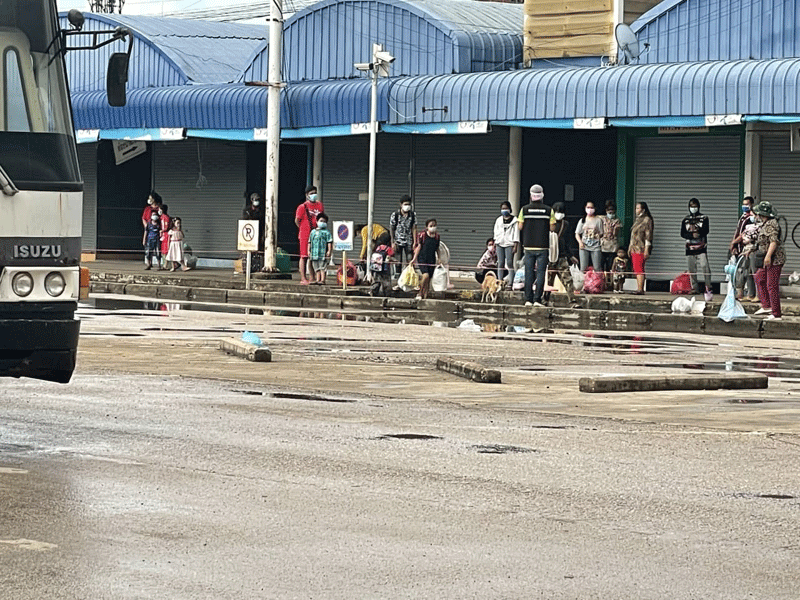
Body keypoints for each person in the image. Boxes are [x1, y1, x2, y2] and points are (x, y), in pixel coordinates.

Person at [518, 184, 555, 307]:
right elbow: (552, 228)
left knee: (529, 273)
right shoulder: (548, 210)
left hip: (528, 246)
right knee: (541, 273)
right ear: (542, 195)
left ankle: (528, 300)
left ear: (531, 195)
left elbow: (520, 226)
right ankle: (537, 300)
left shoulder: (524, 209)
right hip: (543, 246)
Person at [749, 201, 785, 320]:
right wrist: (751, 249)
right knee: (759, 277)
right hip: (765, 256)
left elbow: (773, 242)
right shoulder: (765, 224)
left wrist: (768, 256)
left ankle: (776, 313)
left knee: (771, 285)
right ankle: (766, 305)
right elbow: (762, 241)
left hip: (774, 259)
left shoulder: (771, 224)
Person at [544, 201, 578, 306]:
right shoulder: (547, 223)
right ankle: (545, 299)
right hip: (549, 256)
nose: (559, 214)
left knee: (568, 279)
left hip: (562, 256)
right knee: (548, 281)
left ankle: (572, 300)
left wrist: (570, 255)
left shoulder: (565, 224)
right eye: (557, 211)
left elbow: (567, 241)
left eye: (561, 211)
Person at [680, 197, 712, 301]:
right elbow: (682, 233)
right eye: (691, 206)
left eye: (695, 206)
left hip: (701, 247)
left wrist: (699, 234)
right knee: (691, 269)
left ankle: (708, 286)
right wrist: (691, 235)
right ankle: (694, 287)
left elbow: (706, 230)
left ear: (698, 206)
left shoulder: (704, 218)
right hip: (689, 248)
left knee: (704, 266)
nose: (693, 208)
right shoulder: (685, 219)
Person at [729, 196, 757, 301]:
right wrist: (733, 244)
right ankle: (741, 293)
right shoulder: (742, 217)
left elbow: (745, 234)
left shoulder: (752, 219)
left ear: (751, 205)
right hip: (740, 248)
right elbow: (738, 231)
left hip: (748, 248)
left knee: (747, 271)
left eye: (747, 204)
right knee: (740, 271)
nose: (744, 206)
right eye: (743, 204)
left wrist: (734, 242)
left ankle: (750, 294)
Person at [295, 185, 324, 285]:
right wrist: (303, 229)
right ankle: (303, 278)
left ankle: (312, 277)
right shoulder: (302, 207)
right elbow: (297, 220)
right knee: (304, 256)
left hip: (317, 234)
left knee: (313, 256)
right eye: (311, 193)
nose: (314, 195)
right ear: (307, 195)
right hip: (305, 235)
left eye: (315, 193)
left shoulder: (320, 205)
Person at [627, 202, 654, 295]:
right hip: (634, 247)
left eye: (638, 208)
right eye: (636, 208)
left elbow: (648, 236)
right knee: (636, 268)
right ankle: (638, 287)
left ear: (643, 209)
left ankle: (640, 289)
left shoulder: (646, 220)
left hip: (640, 248)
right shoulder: (638, 220)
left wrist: (647, 249)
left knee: (639, 269)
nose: (636, 210)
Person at [411, 218, 440, 300]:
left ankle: (425, 295)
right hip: (422, 258)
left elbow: (437, 249)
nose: (433, 227)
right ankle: (420, 292)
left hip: (431, 259)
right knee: (425, 275)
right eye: (431, 226)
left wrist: (439, 258)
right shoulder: (422, 235)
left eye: (434, 225)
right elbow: (418, 247)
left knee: (429, 279)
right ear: (427, 227)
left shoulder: (437, 236)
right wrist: (414, 259)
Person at [389, 195, 417, 276]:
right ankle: (398, 278)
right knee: (398, 262)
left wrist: (415, 242)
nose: (407, 206)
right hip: (398, 241)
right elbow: (391, 228)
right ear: (401, 205)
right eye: (405, 204)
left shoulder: (413, 215)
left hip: (409, 241)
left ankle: (408, 277)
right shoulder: (395, 215)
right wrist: (392, 242)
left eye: (408, 204)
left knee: (410, 260)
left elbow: (414, 228)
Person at [493, 201, 519, 286]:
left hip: (509, 244)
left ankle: (510, 283)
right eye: (502, 208)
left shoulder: (515, 220)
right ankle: (499, 281)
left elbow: (516, 233)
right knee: (500, 263)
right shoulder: (498, 220)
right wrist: (495, 242)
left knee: (509, 263)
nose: (504, 210)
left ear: (510, 209)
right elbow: (495, 232)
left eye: (506, 208)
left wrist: (515, 245)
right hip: (499, 243)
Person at [575, 200, 604, 273]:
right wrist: (580, 242)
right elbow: (577, 233)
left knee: (597, 267)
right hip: (584, 246)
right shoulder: (582, 220)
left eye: (592, 207)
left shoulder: (598, 220)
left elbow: (601, 233)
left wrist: (597, 235)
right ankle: (583, 280)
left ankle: (597, 279)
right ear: (585, 208)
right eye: (588, 207)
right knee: (583, 267)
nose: (590, 209)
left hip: (596, 245)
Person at [307, 212, 332, 285]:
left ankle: (323, 280)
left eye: (324, 221)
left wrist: (329, 251)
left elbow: (329, 242)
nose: (322, 223)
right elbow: (309, 242)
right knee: (316, 267)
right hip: (314, 253)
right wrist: (308, 250)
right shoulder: (313, 232)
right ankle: (317, 280)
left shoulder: (327, 232)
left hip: (322, 253)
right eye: (321, 221)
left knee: (322, 267)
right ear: (317, 221)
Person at [601, 200, 622, 286]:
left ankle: (612, 283)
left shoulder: (617, 221)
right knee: (602, 266)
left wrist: (616, 229)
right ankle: (603, 282)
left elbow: (616, 233)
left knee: (611, 265)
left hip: (612, 246)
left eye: (612, 212)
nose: (611, 213)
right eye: (609, 211)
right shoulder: (602, 219)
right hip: (603, 245)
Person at [369, 232, 395, 297]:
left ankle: (374, 292)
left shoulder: (378, 247)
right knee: (386, 282)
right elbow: (392, 255)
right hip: (385, 269)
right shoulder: (388, 248)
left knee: (376, 281)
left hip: (377, 268)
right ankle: (387, 294)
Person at [141, 191, 162, 266]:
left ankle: (159, 264)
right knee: (148, 248)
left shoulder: (159, 208)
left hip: (157, 230)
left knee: (157, 249)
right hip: (149, 230)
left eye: (151, 198)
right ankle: (149, 263)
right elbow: (144, 218)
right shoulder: (147, 208)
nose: (149, 200)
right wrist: (146, 226)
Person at [158, 204, 171, 270]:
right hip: (163, 235)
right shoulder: (161, 217)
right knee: (163, 251)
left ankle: (166, 265)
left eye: (159, 209)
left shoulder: (165, 217)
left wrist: (161, 231)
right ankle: (164, 265)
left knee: (166, 250)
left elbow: (166, 227)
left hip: (166, 235)